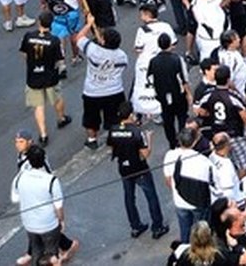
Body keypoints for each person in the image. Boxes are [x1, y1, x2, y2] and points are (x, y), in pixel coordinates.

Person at [107, 100, 169, 240]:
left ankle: (135, 226)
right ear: (130, 114)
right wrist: (149, 138)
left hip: (123, 168)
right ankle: (157, 226)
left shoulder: (113, 130)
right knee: (151, 196)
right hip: (139, 168)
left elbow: (111, 148)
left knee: (129, 197)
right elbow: (145, 153)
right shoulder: (136, 132)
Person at [73, 14, 129, 150]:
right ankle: (114, 138)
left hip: (92, 91)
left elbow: (79, 38)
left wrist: (88, 23)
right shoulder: (121, 56)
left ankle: (92, 139)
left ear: (103, 41)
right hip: (114, 90)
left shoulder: (93, 50)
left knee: (91, 118)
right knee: (114, 117)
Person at [19, 12, 73, 146]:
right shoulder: (54, 40)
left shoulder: (29, 36)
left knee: (38, 106)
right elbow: (59, 60)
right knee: (57, 98)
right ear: (51, 24)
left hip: (33, 76)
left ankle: (43, 135)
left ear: (39, 22)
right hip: (50, 76)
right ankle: (61, 118)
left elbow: (24, 54)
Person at [11, 146, 65, 266]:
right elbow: (58, 206)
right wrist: (61, 221)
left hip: (29, 223)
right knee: (52, 254)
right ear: (44, 159)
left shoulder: (20, 177)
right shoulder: (51, 180)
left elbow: (15, 198)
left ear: (28, 160)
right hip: (48, 224)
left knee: (36, 251)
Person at [163, 127, 213, 244]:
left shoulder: (170, 155)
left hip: (179, 201)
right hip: (198, 203)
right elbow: (211, 184)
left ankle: (185, 252)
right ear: (195, 141)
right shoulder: (203, 160)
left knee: (185, 230)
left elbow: (168, 180)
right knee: (201, 232)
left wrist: (178, 191)